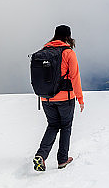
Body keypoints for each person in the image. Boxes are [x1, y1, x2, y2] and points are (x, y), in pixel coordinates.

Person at [33, 25, 85, 171]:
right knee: (66, 127)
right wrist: (80, 99)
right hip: (65, 98)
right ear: (68, 37)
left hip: (46, 98)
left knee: (52, 125)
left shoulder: (43, 52)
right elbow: (75, 77)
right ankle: (62, 159)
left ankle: (41, 156)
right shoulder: (68, 53)